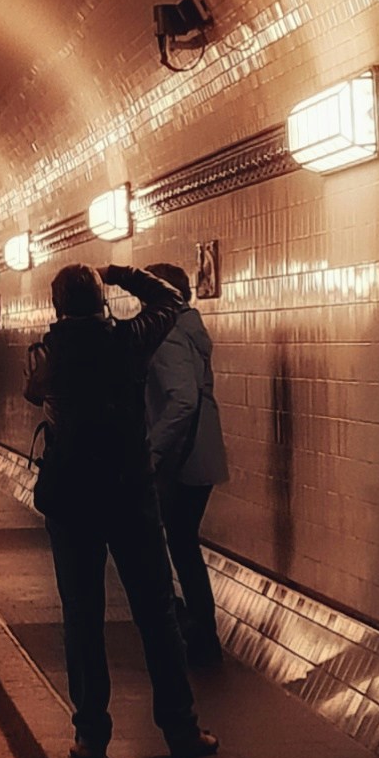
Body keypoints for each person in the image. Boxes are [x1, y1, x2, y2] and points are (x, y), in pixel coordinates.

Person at [24, 264, 217, 758]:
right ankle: (180, 729)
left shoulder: (49, 354)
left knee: (81, 615)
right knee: (155, 613)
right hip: (129, 492)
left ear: (57, 305)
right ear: (101, 297)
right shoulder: (130, 341)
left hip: (70, 498)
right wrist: (119, 272)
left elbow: (34, 391)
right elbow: (171, 301)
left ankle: (91, 735)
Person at [142, 261, 229, 665]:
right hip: (197, 452)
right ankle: (198, 631)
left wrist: (152, 451)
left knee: (163, 539)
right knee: (180, 541)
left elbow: (181, 401)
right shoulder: (189, 331)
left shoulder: (171, 335)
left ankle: (193, 631)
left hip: (182, 457)